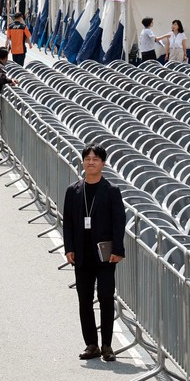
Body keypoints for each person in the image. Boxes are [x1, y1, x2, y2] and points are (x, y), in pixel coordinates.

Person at [63, 143, 126, 362]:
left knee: (106, 297)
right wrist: (69, 248)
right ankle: (91, 344)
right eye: (87, 159)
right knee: (84, 299)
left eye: (95, 159)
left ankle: (107, 344)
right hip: (81, 253)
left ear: (103, 163)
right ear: (83, 162)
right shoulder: (73, 190)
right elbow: (68, 223)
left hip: (105, 254)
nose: (91, 162)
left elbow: (119, 222)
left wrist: (118, 250)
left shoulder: (111, 191)